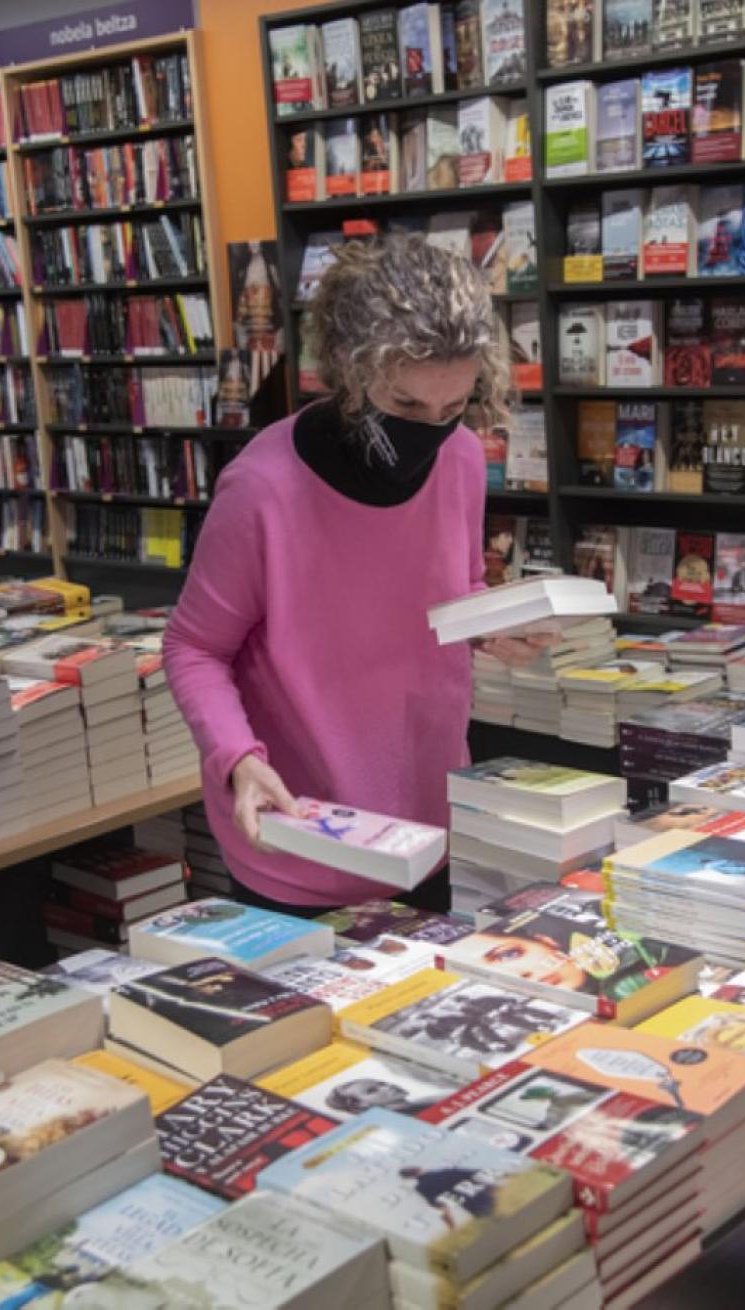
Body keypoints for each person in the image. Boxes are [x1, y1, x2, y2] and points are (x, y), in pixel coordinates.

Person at [164, 235, 536, 914]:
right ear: (347, 369)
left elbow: (451, 592)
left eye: (454, 408)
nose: (434, 429)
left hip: (427, 830)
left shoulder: (456, 459)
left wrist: (492, 624)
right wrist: (235, 756)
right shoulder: (264, 489)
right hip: (301, 840)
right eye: (406, 406)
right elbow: (194, 646)